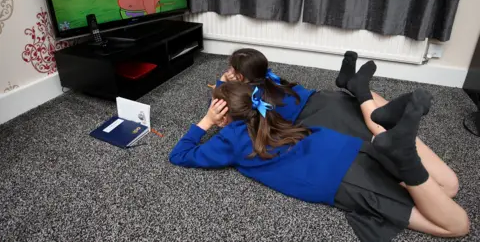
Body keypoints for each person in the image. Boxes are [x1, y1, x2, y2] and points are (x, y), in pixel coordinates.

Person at [171, 82, 470, 241]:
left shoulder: (227, 142)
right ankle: (394, 136)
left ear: (223, 115)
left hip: (341, 179)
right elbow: (269, 88)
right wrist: (236, 86)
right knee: (450, 185)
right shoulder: (269, 109)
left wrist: (207, 120)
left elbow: (180, 155)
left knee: (457, 226)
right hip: (348, 147)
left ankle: (404, 157)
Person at [215, 48, 460, 198]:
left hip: (322, 119)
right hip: (326, 99)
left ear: (239, 76)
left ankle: (363, 95)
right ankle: (357, 90)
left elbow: (223, 111)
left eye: (230, 69)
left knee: (446, 188)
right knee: (375, 117)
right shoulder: (271, 79)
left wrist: (221, 83)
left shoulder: (250, 99)